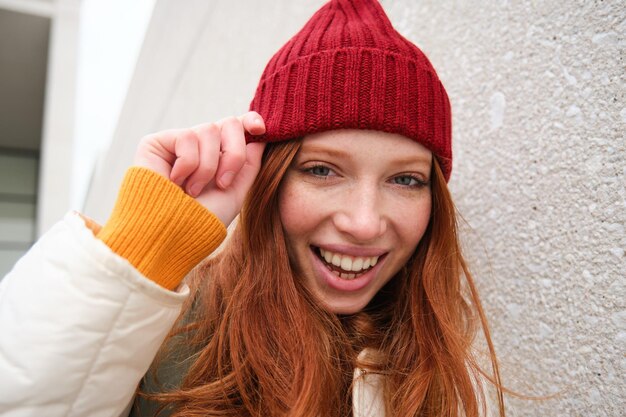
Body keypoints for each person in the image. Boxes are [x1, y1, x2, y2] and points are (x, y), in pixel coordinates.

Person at [0, 0, 506, 416]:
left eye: (405, 179)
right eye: (322, 170)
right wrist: (141, 252)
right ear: (267, 179)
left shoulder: (440, 360)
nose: (364, 222)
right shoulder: (168, 340)